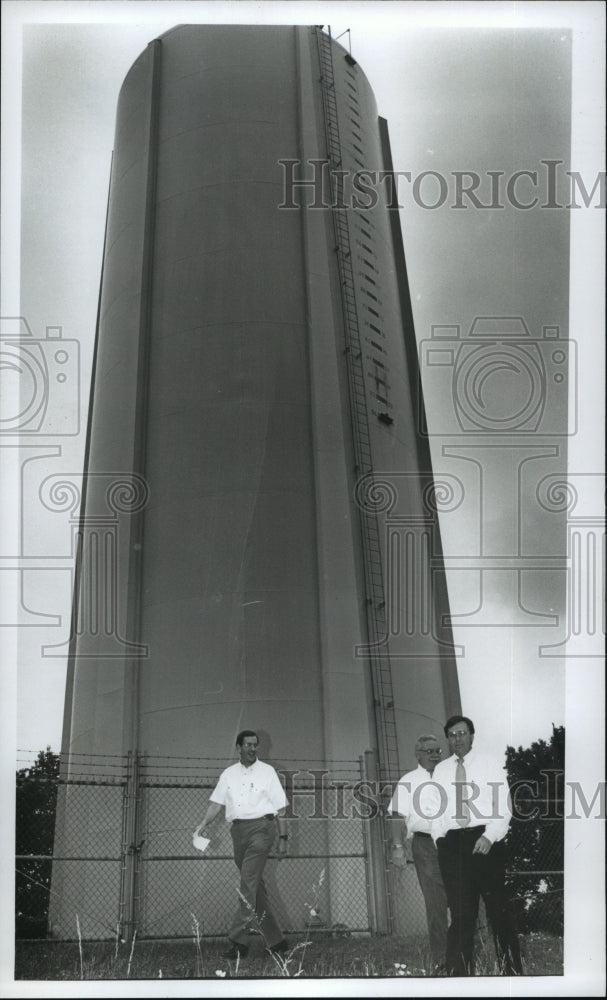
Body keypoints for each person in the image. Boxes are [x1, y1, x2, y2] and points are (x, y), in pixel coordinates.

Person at [431, 714, 522, 977]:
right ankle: (458, 977)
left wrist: (490, 836)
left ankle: (513, 974)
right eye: (452, 735)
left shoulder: (489, 764)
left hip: (484, 842)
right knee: (461, 916)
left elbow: (503, 807)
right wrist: (440, 839)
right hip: (453, 845)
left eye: (462, 733)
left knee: (498, 912)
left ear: (471, 735)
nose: (457, 739)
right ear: (447, 740)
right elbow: (436, 810)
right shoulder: (442, 770)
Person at [195, 729, 290, 958]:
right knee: (255, 888)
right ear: (238, 747)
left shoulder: (268, 772)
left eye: (255, 745)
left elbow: (281, 808)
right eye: (247, 745)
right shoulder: (228, 774)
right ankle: (276, 942)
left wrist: (284, 837)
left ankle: (239, 942)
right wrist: (203, 825)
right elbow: (216, 804)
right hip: (238, 832)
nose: (252, 748)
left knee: (247, 884)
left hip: (262, 830)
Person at [387, 734, 449, 972]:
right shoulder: (408, 781)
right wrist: (397, 846)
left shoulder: (449, 778)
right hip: (425, 845)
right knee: (435, 902)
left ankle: (464, 950)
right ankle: (442, 958)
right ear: (418, 754)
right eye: (429, 751)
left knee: (462, 896)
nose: (435, 755)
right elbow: (396, 815)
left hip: (453, 844)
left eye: (437, 751)